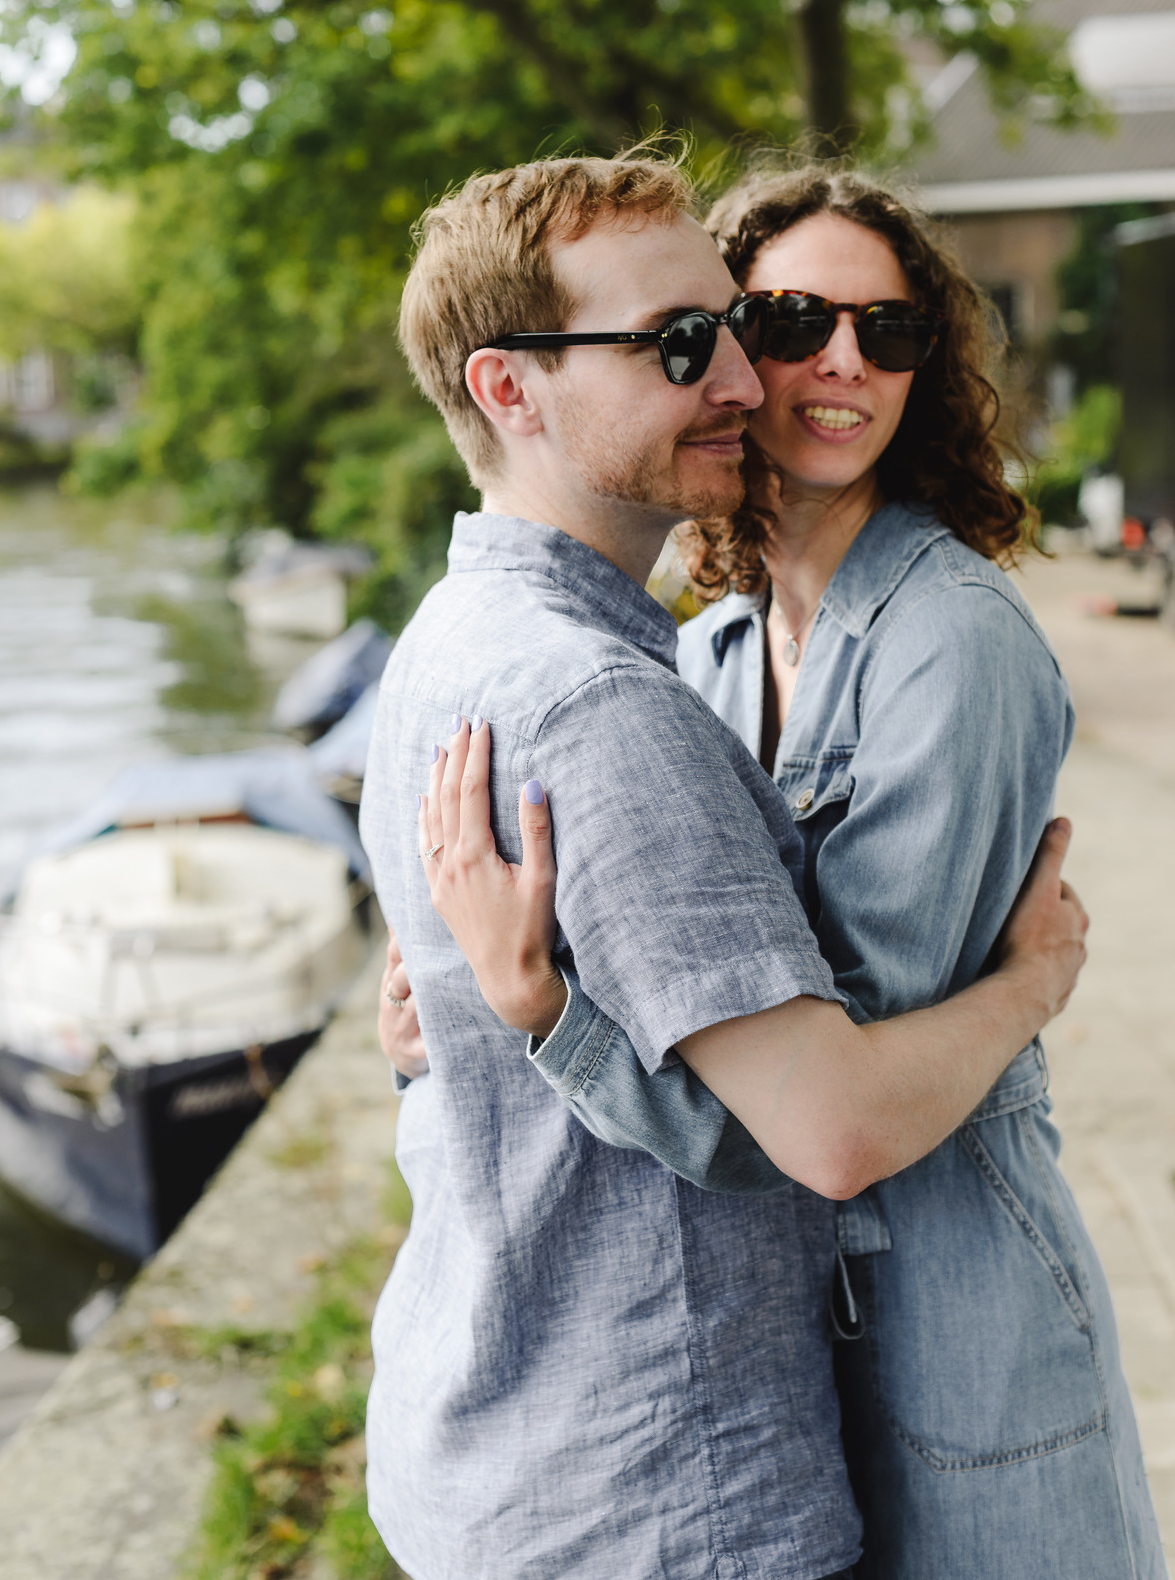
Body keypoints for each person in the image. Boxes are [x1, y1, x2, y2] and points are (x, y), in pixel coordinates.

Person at [391, 162, 1164, 1579]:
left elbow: (835, 1097)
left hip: (948, 1305)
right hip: (787, 1344)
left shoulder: (954, 642)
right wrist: (463, 1011)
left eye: (892, 333)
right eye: (788, 320)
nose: (838, 365)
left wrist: (554, 1020)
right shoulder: (711, 650)